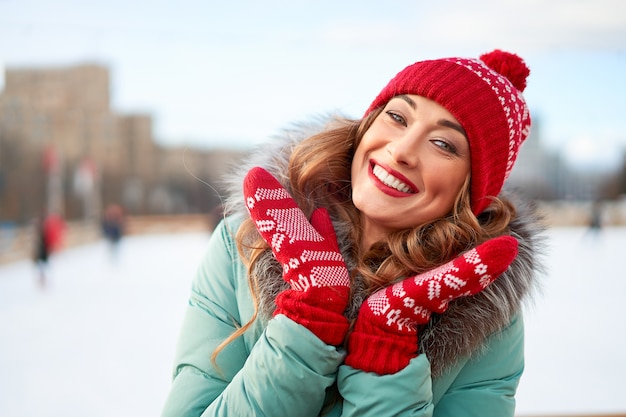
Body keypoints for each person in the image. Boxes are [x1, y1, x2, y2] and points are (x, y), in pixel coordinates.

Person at [161, 49, 545, 416]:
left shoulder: (483, 303)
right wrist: (306, 326)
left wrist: (386, 351)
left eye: (443, 144)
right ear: (368, 124)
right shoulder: (244, 242)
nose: (401, 151)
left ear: (471, 187)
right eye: (397, 117)